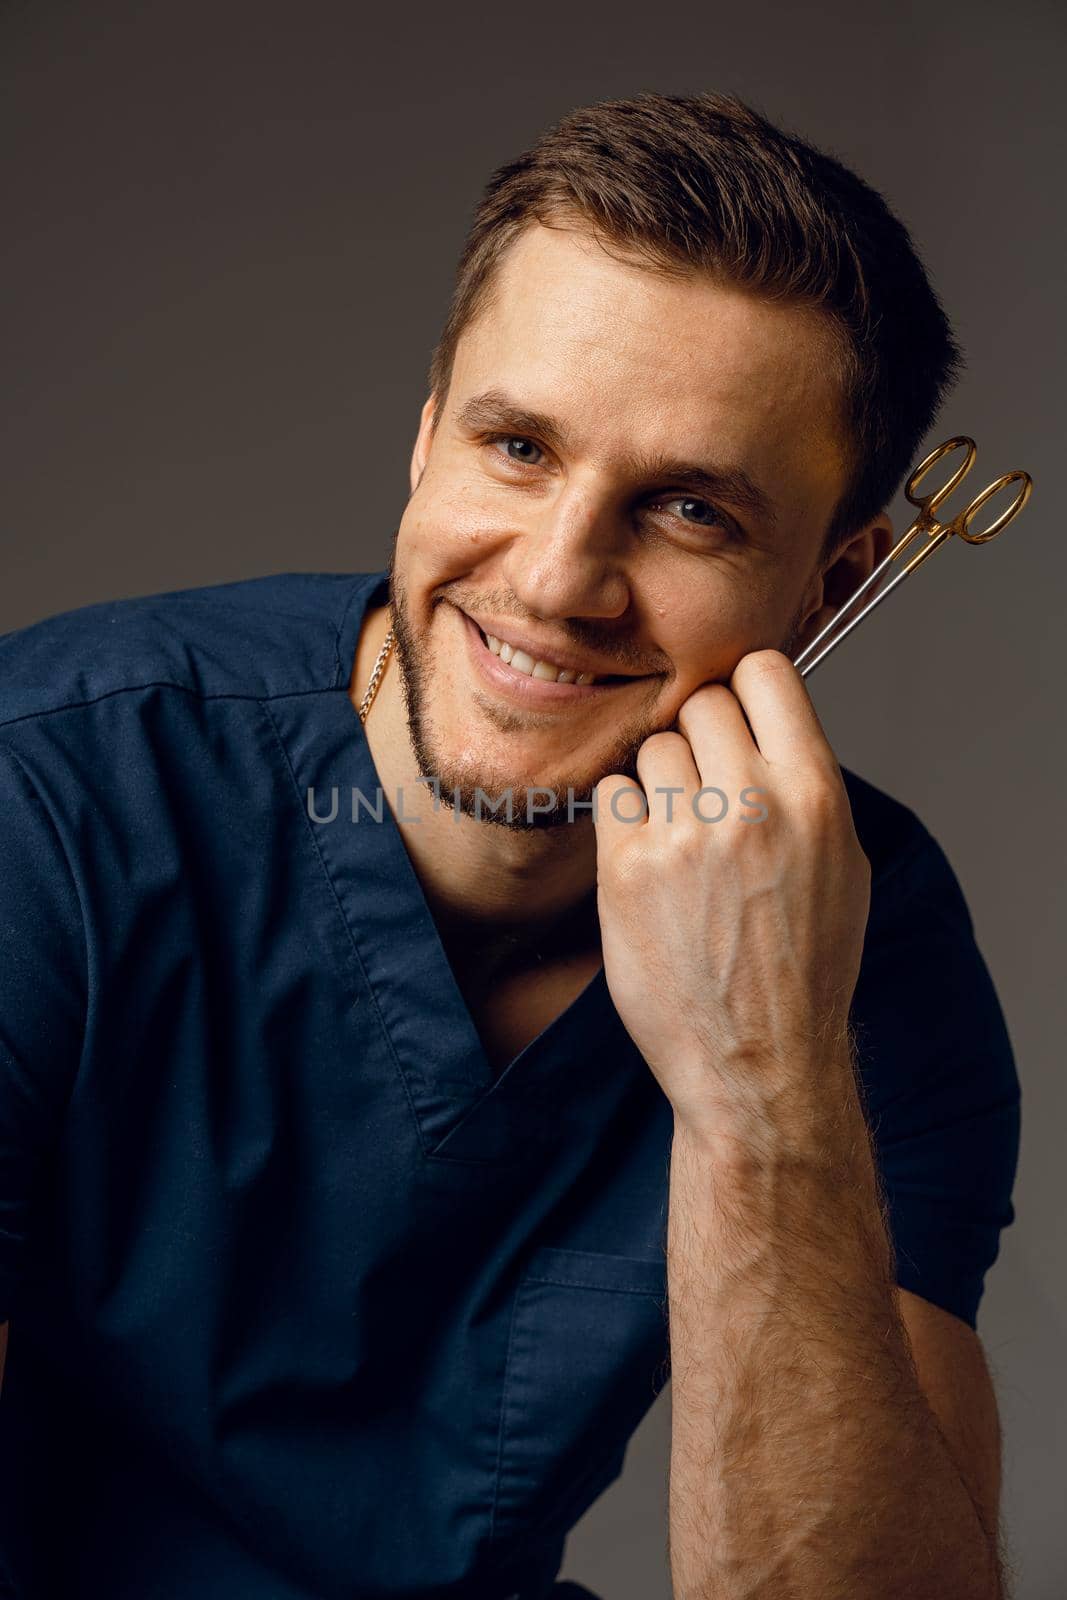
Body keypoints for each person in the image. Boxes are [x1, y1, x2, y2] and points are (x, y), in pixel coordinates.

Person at [0, 91, 1019, 1600]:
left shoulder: (861, 935)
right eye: (519, 446)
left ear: (835, 584)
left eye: (688, 510)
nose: (556, 582)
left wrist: (764, 1085)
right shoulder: (50, 800)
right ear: (426, 440)